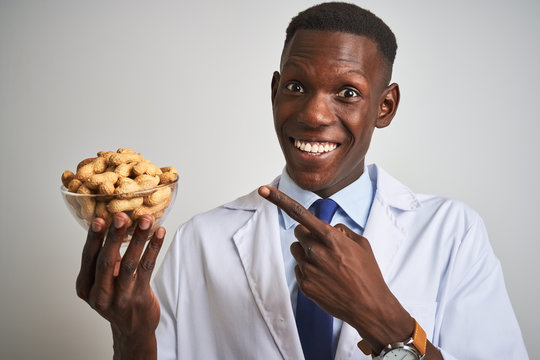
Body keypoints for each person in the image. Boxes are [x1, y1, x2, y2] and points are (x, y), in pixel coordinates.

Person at [76, 2, 528, 359]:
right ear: (274, 91)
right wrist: (131, 333)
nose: (313, 114)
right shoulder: (201, 241)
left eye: (347, 93)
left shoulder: (452, 233)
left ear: (385, 107)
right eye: (296, 86)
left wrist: (386, 322)